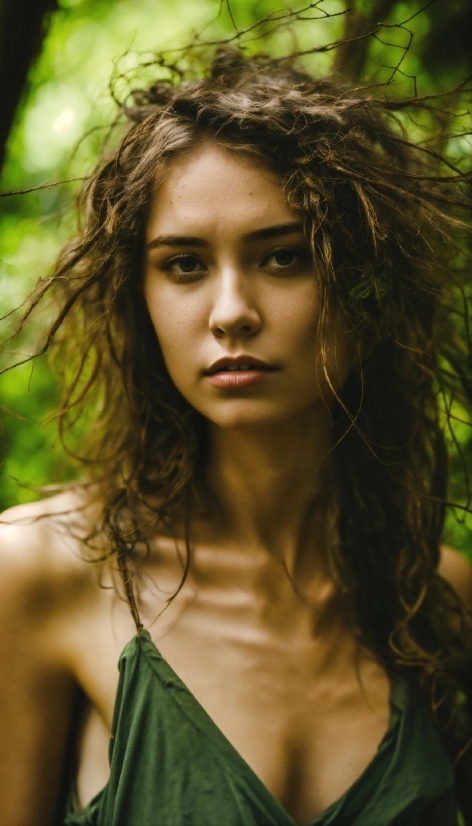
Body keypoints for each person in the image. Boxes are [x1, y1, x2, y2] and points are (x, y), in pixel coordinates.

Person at [0, 46, 471, 826]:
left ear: (362, 281)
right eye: (184, 266)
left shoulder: (434, 596)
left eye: (283, 258)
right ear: (139, 296)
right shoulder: (40, 577)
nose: (231, 312)